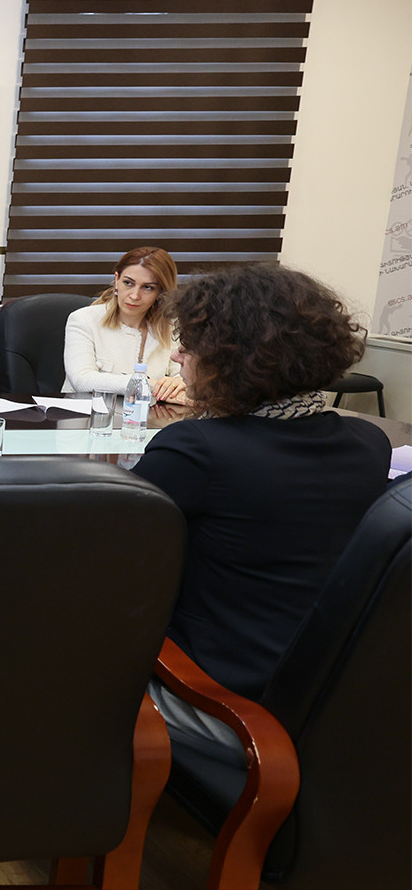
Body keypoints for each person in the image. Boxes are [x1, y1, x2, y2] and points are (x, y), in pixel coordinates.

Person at [131, 263, 389, 760]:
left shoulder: (196, 449)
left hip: (224, 702)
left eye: (189, 343)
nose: (177, 354)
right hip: (331, 703)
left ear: (230, 357)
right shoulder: (368, 442)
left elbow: (102, 555)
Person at [62, 246, 187, 402]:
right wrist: (146, 384)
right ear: (117, 280)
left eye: (147, 287)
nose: (134, 296)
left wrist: (178, 383)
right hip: (87, 415)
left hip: (151, 416)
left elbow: (182, 377)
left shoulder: (172, 326)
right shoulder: (83, 320)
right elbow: (82, 379)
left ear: (161, 292)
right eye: (128, 283)